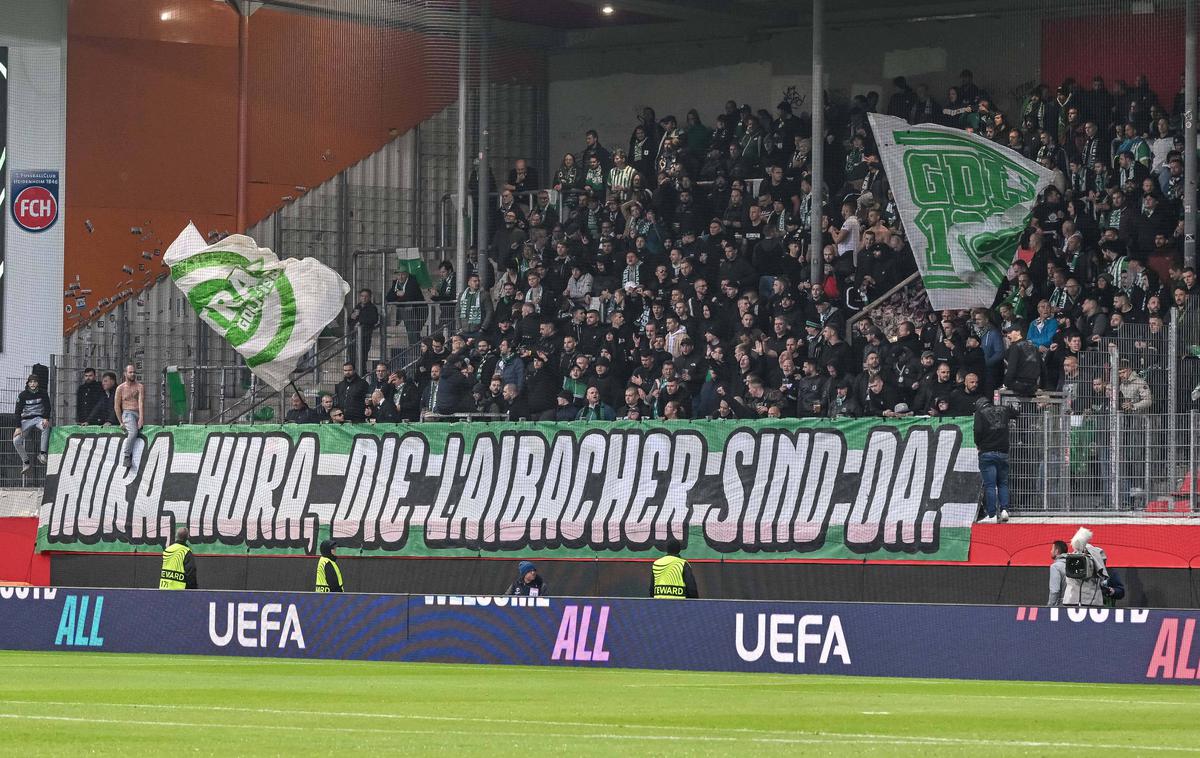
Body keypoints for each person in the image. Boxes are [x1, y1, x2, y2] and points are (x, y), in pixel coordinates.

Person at [973, 397, 1019, 523]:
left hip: (987, 452)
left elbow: (977, 431)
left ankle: (992, 514)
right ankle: (1004, 510)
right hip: (1003, 452)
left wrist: (978, 443)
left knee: (990, 485)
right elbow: (1016, 414)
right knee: (1003, 483)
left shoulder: (979, 413)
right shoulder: (1003, 409)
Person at [13, 374, 51, 474]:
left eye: (34, 382)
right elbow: (17, 412)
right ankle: (26, 462)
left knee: (46, 426)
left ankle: (42, 454)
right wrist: (18, 427)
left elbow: (48, 407)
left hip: (39, 418)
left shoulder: (43, 393)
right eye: (31, 382)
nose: (33, 384)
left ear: (38, 383)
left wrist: (46, 418)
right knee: (16, 440)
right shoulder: (22, 395)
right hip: (26, 420)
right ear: (28, 383)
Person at [1063, 527, 1108, 607]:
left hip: (1091, 602)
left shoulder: (1096, 555)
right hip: (1071, 600)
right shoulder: (1071, 558)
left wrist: (1091, 555)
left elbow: (1101, 567)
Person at [114, 364, 144, 471]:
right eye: (130, 372)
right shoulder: (120, 388)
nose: (133, 374)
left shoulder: (139, 386)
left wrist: (141, 418)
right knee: (133, 432)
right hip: (127, 413)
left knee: (139, 432)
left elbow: (140, 402)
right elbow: (117, 406)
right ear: (125, 374)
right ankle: (127, 455)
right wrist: (120, 422)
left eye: (134, 372)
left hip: (136, 413)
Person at [348, 288, 380, 374]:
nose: (364, 298)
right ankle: (352, 375)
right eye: (362, 296)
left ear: (369, 297)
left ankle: (362, 375)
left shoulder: (372, 308)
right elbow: (349, 321)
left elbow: (374, 320)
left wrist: (360, 320)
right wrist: (352, 317)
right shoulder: (357, 307)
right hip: (353, 336)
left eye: (366, 296)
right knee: (352, 357)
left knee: (362, 358)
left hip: (364, 336)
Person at [1047, 539, 1068, 606]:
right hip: (1074, 605)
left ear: (1056, 551)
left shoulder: (1055, 567)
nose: (1051, 551)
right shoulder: (1072, 565)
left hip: (1061, 607)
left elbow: (1055, 591)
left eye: (1052, 549)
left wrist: (1049, 607)